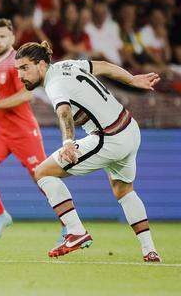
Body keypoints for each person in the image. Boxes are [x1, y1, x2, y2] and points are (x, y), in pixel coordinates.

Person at [14, 41, 161, 262]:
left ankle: (76, 232)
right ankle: (150, 250)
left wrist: (68, 142)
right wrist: (132, 79)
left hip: (109, 137)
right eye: (18, 69)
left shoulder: (54, 84)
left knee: (43, 172)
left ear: (42, 65)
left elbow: (64, 112)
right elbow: (102, 65)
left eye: (25, 68)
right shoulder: (68, 65)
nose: (20, 75)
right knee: (124, 190)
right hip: (130, 128)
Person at [0, 19, 48, 241]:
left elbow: (26, 95)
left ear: (12, 38)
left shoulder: (18, 62)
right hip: (0, 130)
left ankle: (69, 224)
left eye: (3, 36)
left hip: (23, 130)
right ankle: (1, 215)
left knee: (43, 178)